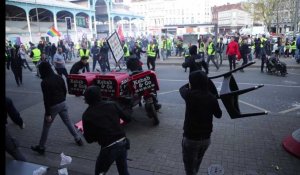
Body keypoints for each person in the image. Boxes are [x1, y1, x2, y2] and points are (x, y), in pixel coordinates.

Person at [31, 62, 83, 155]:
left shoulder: (44, 82)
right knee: (68, 122)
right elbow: (64, 90)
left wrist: (48, 114)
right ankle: (78, 139)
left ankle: (41, 147)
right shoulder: (59, 77)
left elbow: (46, 99)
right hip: (62, 103)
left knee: (46, 127)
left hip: (53, 106)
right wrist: (62, 100)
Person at [179, 70, 222, 175]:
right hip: (206, 139)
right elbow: (219, 115)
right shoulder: (211, 97)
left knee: (189, 166)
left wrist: (190, 84)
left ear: (192, 83)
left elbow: (181, 89)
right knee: (198, 160)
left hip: (191, 139)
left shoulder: (190, 95)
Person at [82, 86, 131, 175]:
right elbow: (127, 118)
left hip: (109, 148)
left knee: (100, 172)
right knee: (123, 170)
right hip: (123, 142)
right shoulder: (112, 104)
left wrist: (86, 133)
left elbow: (89, 140)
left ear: (86, 99)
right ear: (100, 95)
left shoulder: (87, 115)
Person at [6, 97, 27, 161]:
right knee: (13, 150)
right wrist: (21, 123)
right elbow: (14, 115)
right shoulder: (7, 100)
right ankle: (24, 167)